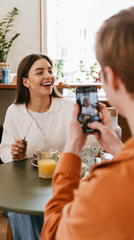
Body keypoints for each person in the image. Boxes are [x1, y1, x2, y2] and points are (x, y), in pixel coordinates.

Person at [41, 7, 134, 240]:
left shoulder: (105, 189)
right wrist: (116, 147)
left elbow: (54, 233)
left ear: (110, 78)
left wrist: (72, 148)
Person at [0, 53, 75, 240]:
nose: (48, 76)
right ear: (26, 82)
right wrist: (14, 153)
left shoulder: (69, 107)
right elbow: (4, 149)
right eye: (39, 72)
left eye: (50, 70)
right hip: (25, 186)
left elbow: (88, 146)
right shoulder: (14, 111)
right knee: (19, 212)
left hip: (62, 182)